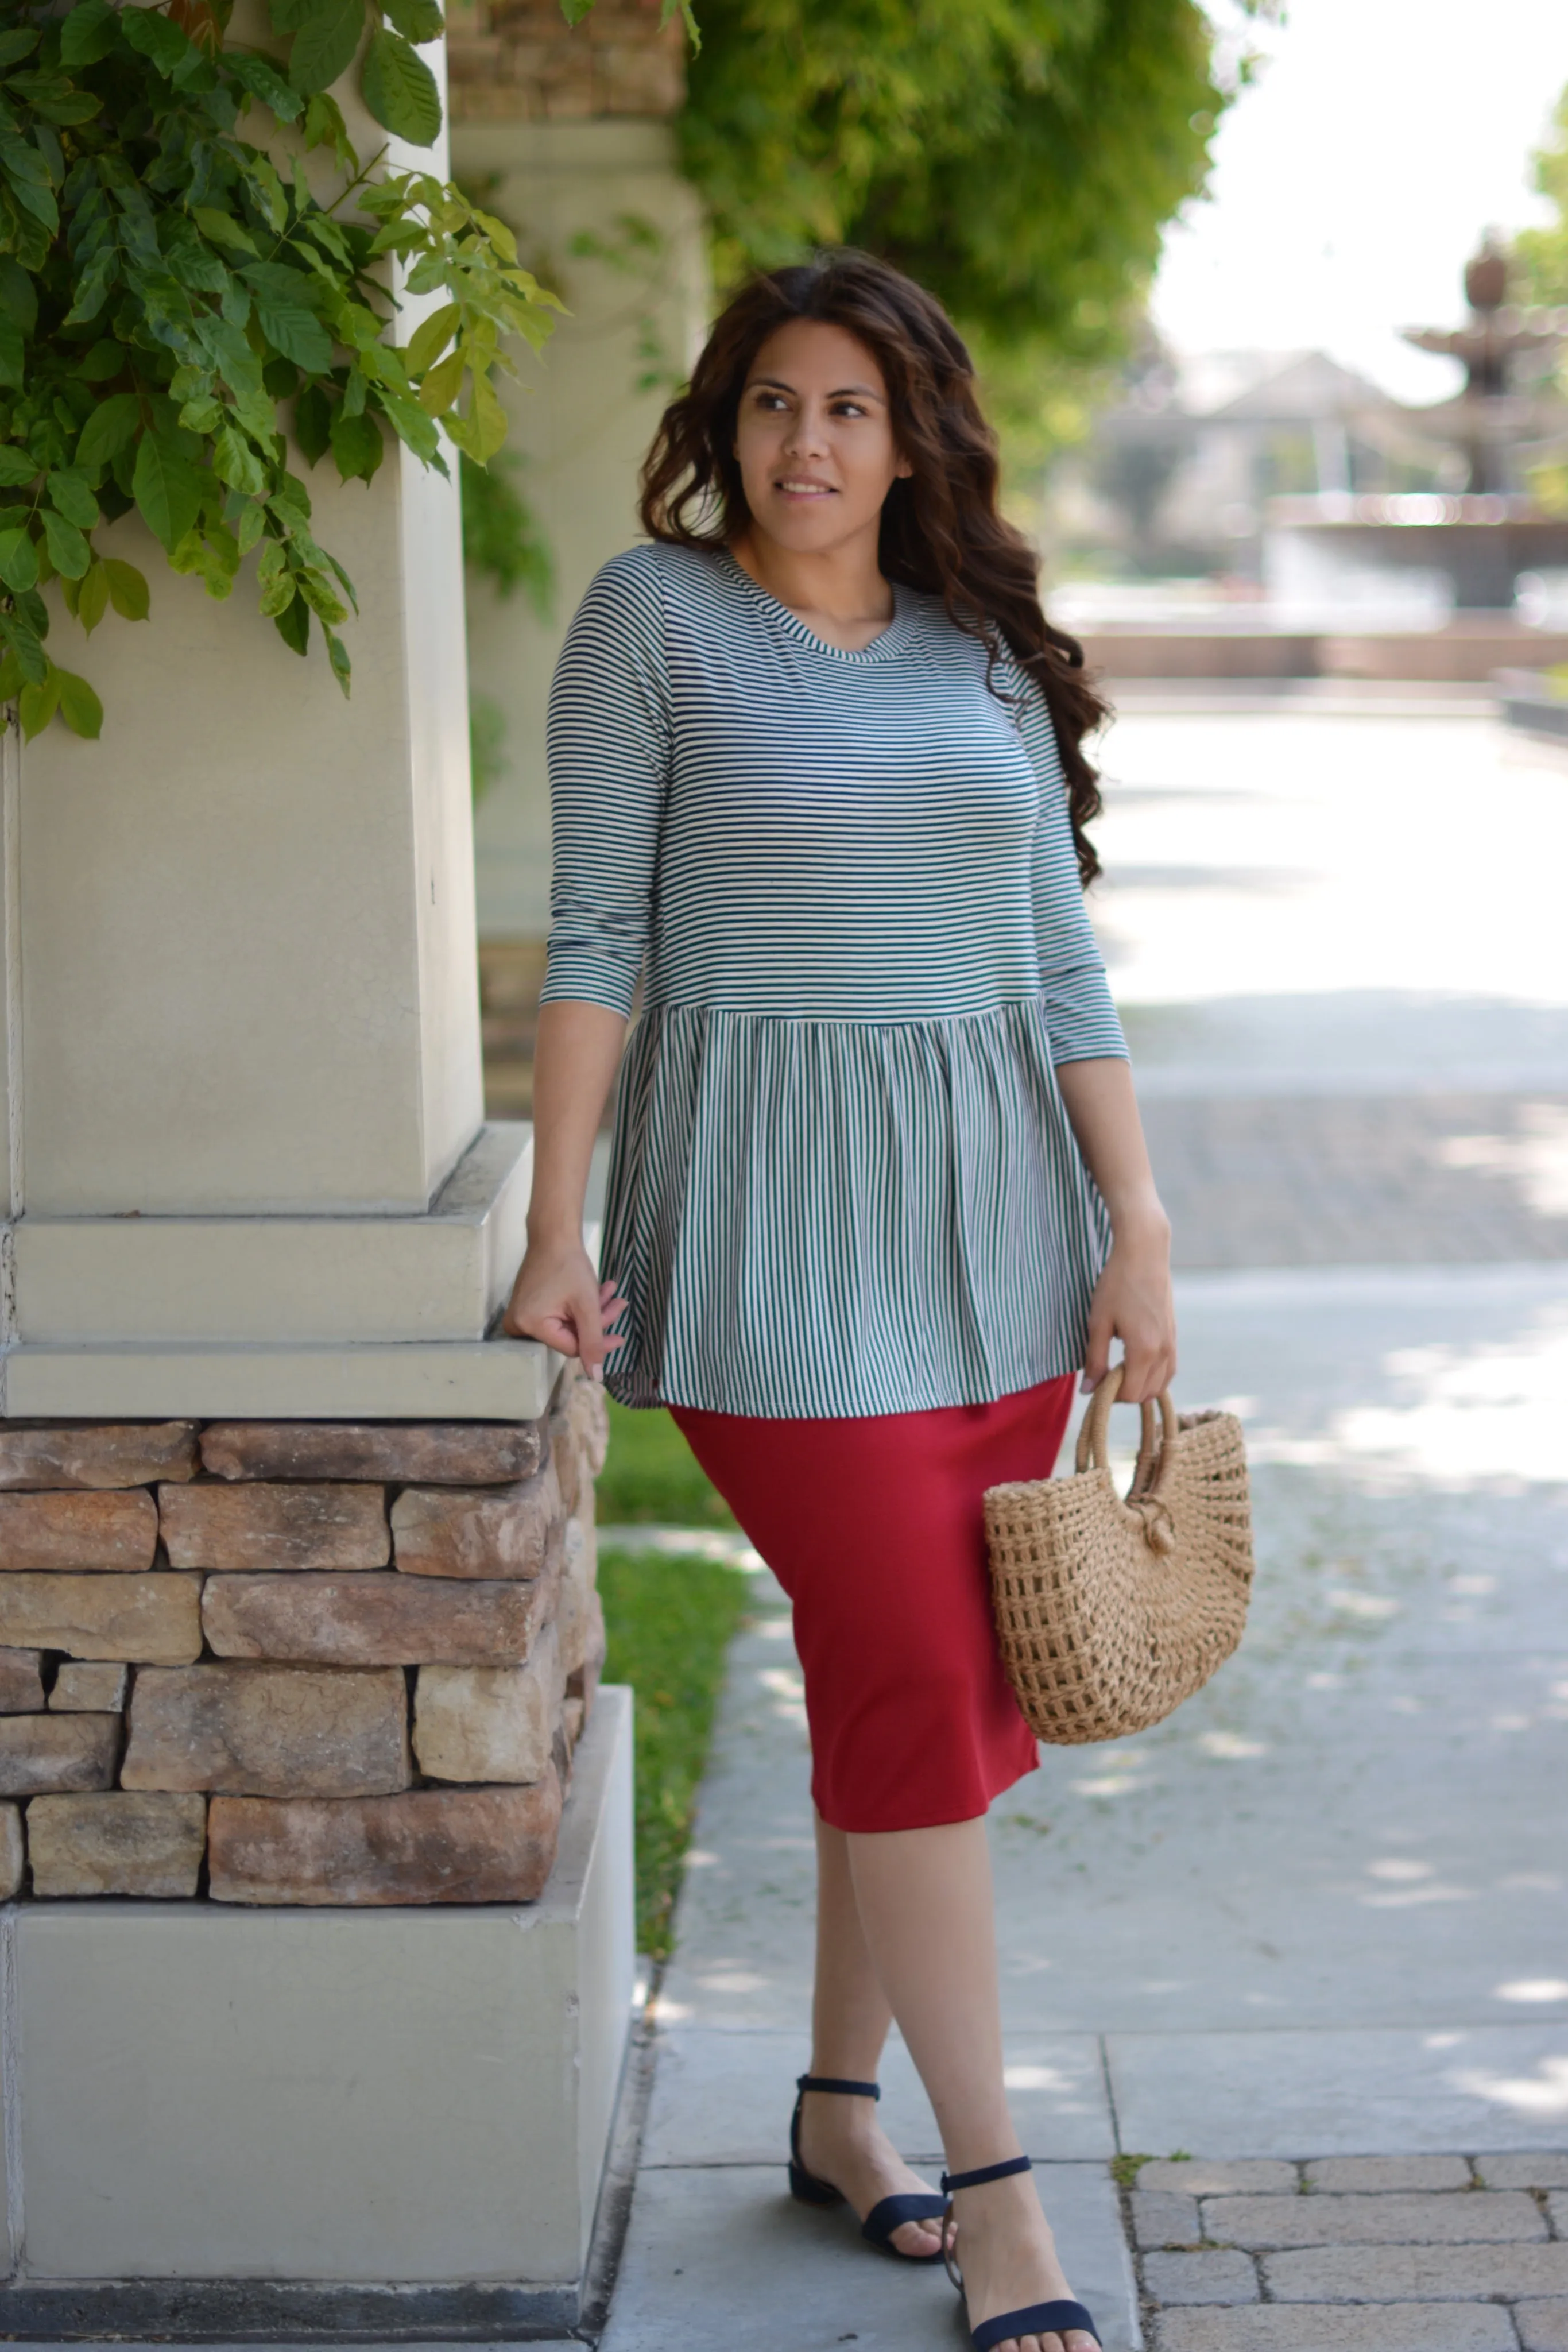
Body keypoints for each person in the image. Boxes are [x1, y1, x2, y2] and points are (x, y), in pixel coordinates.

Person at [505, 247, 1177, 2352]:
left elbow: (1058, 963)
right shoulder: (656, 621)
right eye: (778, 402)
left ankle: (829, 2114)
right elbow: (596, 936)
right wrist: (555, 1225)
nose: (810, 443)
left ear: (914, 442)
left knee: (914, 1700)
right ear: (730, 422)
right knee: (914, 1684)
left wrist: (1134, 1221)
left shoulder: (977, 653)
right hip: (779, 1246)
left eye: (852, 410)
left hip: (993, 1244)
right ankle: (999, 2197)